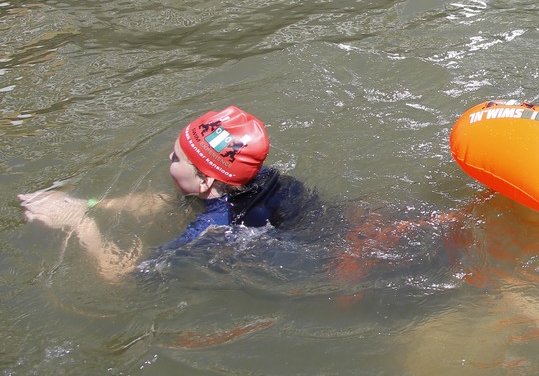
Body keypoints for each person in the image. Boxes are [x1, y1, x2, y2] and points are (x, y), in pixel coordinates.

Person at [17, 106, 317, 281]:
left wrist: (80, 222)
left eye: (176, 159)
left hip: (317, 267)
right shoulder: (260, 177)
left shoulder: (212, 229)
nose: (168, 158)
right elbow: (164, 202)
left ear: (205, 182)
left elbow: (120, 275)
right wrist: (91, 203)